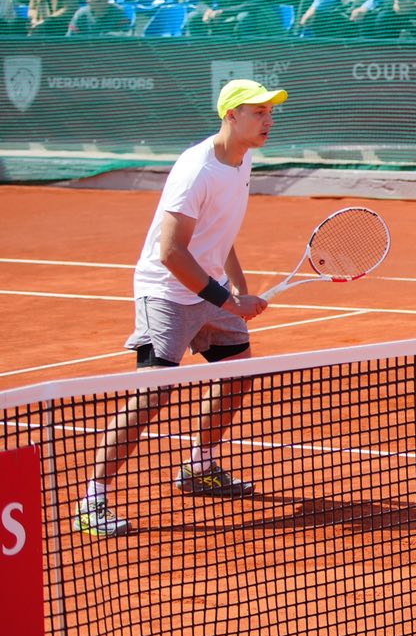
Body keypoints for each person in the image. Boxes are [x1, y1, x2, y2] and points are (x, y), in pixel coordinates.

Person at [73, 80, 286, 538]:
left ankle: (200, 466)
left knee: (236, 376)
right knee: (152, 396)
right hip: (166, 292)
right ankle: (92, 498)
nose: (269, 120)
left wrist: (240, 292)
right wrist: (229, 300)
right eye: (258, 112)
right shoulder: (197, 170)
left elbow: (220, 233)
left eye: (270, 111)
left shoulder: (242, 159)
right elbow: (172, 252)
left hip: (212, 287)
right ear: (230, 115)